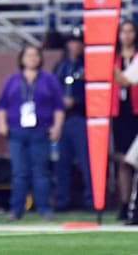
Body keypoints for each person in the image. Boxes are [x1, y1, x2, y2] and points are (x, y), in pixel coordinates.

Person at [0, 45, 65, 221]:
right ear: (21, 58)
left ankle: (44, 209)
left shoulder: (49, 79)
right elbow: (2, 105)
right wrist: (2, 124)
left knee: (41, 172)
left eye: (35, 55)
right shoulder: (12, 79)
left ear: (40, 58)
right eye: (28, 55)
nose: (32, 58)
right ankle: (16, 210)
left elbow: (59, 106)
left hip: (41, 131)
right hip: (17, 131)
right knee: (19, 172)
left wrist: (57, 126)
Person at [53, 28, 92, 211]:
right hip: (62, 119)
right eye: (72, 42)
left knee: (87, 162)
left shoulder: (88, 66)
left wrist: (77, 101)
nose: (75, 45)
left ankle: (92, 200)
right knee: (61, 163)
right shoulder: (60, 66)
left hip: (81, 116)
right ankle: (62, 201)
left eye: (78, 42)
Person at [111, 20, 138, 221]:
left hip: (136, 111)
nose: (126, 36)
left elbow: (125, 80)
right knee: (123, 160)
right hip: (120, 112)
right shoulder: (115, 58)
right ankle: (125, 202)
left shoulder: (136, 58)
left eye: (130, 31)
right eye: (123, 32)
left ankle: (133, 207)